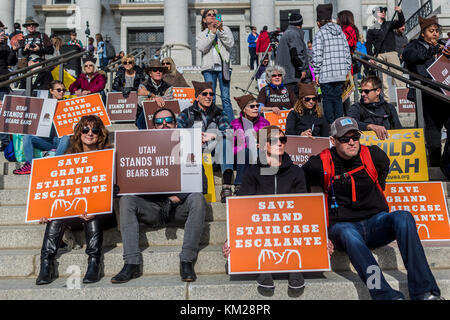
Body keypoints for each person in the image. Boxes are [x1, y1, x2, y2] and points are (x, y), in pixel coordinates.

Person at [302, 116, 443, 300]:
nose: (352, 142)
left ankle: (425, 291)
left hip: (375, 223)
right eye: (345, 139)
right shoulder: (319, 163)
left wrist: (379, 188)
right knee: (348, 233)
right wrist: (319, 234)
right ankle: (385, 295)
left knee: (403, 217)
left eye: (355, 137)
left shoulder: (373, 155)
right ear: (333, 141)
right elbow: (299, 185)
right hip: (344, 227)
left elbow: (384, 167)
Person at [111, 107, 207, 284]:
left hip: (178, 209)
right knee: (126, 200)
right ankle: (131, 262)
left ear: (176, 123)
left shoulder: (187, 145)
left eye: (169, 120)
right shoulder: (140, 146)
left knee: (198, 199)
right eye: (159, 122)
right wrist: (119, 186)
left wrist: (175, 198)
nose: (164, 125)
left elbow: (201, 183)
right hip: (152, 209)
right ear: (153, 127)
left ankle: (187, 260)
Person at [223, 125, 308, 293]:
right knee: (258, 225)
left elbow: (304, 207)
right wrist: (230, 238)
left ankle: (294, 268)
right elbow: (243, 208)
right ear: (263, 145)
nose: (280, 143)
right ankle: (264, 268)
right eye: (274, 140)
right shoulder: (252, 172)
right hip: (261, 228)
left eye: (283, 139)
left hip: (288, 226)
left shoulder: (296, 172)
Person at [35, 115, 116, 285]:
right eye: (86, 129)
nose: (90, 133)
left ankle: (94, 262)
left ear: (100, 134)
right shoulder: (68, 157)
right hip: (74, 213)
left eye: (94, 130)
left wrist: (97, 206)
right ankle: (46, 263)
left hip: (103, 214)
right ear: (79, 133)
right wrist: (45, 211)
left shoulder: (109, 155)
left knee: (93, 214)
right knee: (56, 215)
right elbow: (57, 191)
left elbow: (116, 188)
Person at [402, 16, 450, 167]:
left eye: (437, 31)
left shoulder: (443, 44)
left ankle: (446, 161)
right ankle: (435, 164)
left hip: (445, 94)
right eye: (431, 31)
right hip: (427, 95)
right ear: (423, 33)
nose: (435, 34)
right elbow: (411, 57)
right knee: (433, 132)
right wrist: (434, 50)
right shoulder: (414, 45)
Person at [177, 81, 234, 203]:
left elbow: (229, 132)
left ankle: (227, 187)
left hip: (214, 157)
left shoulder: (219, 112)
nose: (208, 96)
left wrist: (214, 135)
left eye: (211, 94)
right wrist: (193, 137)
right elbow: (177, 133)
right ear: (197, 97)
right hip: (194, 157)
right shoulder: (186, 113)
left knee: (225, 142)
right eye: (205, 94)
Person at [13, 80, 70, 175]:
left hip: (62, 141)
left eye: (64, 90)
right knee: (28, 136)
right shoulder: (43, 104)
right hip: (48, 140)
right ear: (51, 91)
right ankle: (30, 165)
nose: (62, 92)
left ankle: (56, 164)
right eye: (59, 90)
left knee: (66, 137)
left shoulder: (68, 104)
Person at [312, 4, 352, 124]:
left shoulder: (320, 34)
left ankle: (331, 125)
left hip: (326, 73)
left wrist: (316, 72)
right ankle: (339, 123)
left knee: (328, 100)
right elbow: (347, 53)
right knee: (338, 99)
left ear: (319, 22)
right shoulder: (340, 32)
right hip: (340, 73)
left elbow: (317, 55)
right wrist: (346, 69)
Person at [196, 9, 235, 121]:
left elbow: (230, 44)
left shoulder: (225, 29)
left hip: (224, 67)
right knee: (209, 97)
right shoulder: (202, 34)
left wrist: (221, 30)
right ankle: (211, 121)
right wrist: (212, 33)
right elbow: (202, 48)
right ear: (204, 20)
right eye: (209, 15)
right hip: (209, 68)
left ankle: (231, 124)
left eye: (214, 15)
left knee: (225, 97)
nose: (212, 16)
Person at [231, 94, 270, 195]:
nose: (256, 108)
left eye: (257, 106)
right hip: (240, 157)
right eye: (252, 106)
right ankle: (239, 185)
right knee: (246, 152)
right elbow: (230, 148)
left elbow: (272, 142)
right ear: (244, 109)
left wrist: (264, 145)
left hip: (259, 155)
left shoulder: (265, 123)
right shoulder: (235, 124)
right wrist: (246, 146)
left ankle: (263, 185)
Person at [366, 6, 405, 102]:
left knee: (398, 76)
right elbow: (368, 44)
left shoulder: (389, 24)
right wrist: (371, 57)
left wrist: (400, 12)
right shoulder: (371, 29)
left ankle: (404, 99)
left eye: (384, 11)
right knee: (382, 79)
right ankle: (385, 101)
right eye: (381, 11)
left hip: (392, 53)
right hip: (379, 55)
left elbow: (401, 22)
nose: (383, 12)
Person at [348, 76, 402, 140]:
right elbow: (349, 124)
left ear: (378, 91)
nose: (362, 94)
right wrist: (370, 126)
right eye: (361, 90)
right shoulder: (356, 107)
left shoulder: (389, 108)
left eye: (366, 91)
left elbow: (399, 131)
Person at [275, 13, 309, 97]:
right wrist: (302, 69)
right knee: (295, 104)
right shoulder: (294, 34)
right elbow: (296, 54)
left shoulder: (287, 33)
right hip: (293, 76)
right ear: (300, 24)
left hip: (287, 75)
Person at [135, 59, 173, 129]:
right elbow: (141, 102)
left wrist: (152, 97)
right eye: (155, 70)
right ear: (150, 73)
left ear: (163, 73)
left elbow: (168, 100)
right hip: (145, 117)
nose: (158, 72)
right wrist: (156, 98)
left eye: (160, 70)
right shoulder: (143, 85)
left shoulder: (169, 86)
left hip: (162, 115)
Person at [337, 10, 359, 116]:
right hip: (346, 64)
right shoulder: (351, 29)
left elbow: (347, 44)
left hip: (342, 65)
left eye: (338, 18)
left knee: (343, 95)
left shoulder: (347, 29)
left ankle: (346, 117)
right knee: (344, 95)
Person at [0, 23, 17, 150]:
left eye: (2, 31)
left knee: (3, 112)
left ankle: (4, 142)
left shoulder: (4, 46)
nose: (2, 34)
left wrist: (14, 50)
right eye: (0, 31)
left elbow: (11, 62)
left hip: (3, 83)